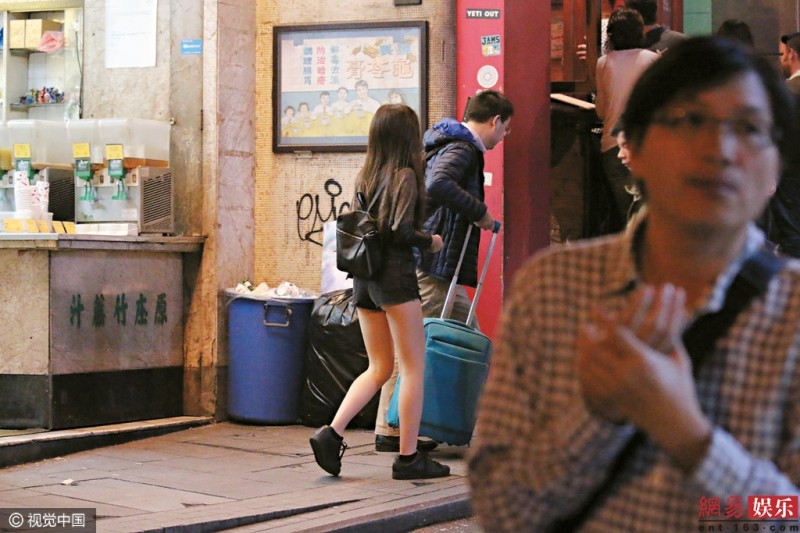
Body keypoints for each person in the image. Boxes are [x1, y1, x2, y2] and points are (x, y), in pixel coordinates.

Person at [470, 36, 800, 531]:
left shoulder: (792, 312)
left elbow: (791, 515)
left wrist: (688, 436)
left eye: (750, 129)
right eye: (690, 121)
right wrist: (597, 416)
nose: (720, 150)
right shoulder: (553, 288)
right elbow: (502, 509)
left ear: (776, 166)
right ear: (633, 148)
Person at [309, 103, 450, 480]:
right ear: (407, 136)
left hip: (364, 280)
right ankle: (408, 457)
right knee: (414, 368)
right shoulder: (405, 175)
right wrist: (431, 241)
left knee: (379, 367)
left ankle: (330, 433)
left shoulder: (366, 175)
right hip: (395, 279)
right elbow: (399, 231)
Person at [372, 90, 513, 453]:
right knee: (418, 347)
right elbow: (438, 184)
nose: (503, 137)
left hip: (439, 265)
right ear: (495, 121)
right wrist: (479, 212)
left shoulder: (448, 142)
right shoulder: (463, 148)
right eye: (506, 129)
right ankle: (397, 427)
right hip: (436, 264)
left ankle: (407, 425)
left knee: (461, 339)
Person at [595, 8, 658, 228]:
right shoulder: (653, 60)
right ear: (640, 32)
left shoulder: (603, 63)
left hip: (613, 147)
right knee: (649, 217)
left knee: (627, 217)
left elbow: (601, 112)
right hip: (646, 147)